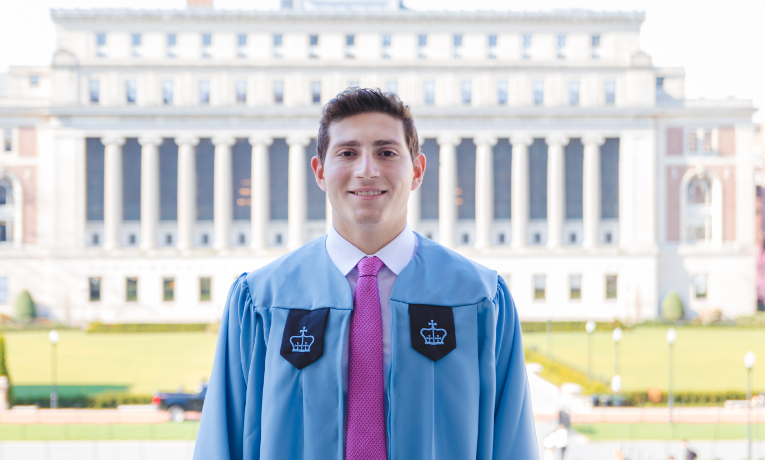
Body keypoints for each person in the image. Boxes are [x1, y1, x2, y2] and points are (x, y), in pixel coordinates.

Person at [192, 88, 538, 459]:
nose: (367, 170)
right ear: (320, 171)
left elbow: (512, 444)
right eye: (348, 153)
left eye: (386, 152)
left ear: (417, 170)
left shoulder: (480, 298)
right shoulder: (261, 300)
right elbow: (222, 440)